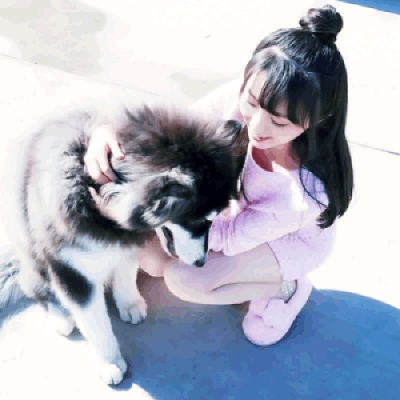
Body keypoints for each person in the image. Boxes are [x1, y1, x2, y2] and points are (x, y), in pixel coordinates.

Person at [84, 5, 353, 346]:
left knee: (184, 279)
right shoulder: (244, 97)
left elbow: (226, 237)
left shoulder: (301, 192)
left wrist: (140, 213)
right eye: (252, 104)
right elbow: (176, 134)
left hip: (287, 240)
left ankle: (284, 288)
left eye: (279, 122)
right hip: (240, 214)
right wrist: (109, 129)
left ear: (318, 120)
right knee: (151, 258)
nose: (257, 126)